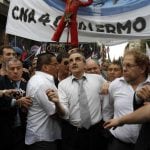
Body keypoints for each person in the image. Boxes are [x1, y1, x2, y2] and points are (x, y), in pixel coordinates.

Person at [47, 51, 109, 150]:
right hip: (74, 135)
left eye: (78, 59)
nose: (74, 62)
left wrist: (108, 84)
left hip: (96, 132)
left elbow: (113, 88)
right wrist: (57, 103)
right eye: (70, 61)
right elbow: (64, 114)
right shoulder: (63, 85)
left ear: (85, 65)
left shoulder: (98, 79)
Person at [105, 49, 149, 150]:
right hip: (118, 144)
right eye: (123, 65)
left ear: (142, 68)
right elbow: (108, 109)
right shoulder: (115, 84)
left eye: (129, 65)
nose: (124, 69)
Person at [25, 53, 61, 150]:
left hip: (44, 136)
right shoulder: (41, 83)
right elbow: (53, 113)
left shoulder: (42, 80)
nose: (58, 66)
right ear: (45, 67)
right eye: (55, 64)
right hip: (42, 138)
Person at [104, 84, 150, 150]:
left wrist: (120, 121)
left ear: (142, 72)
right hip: (118, 142)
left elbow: (147, 112)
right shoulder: (115, 84)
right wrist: (138, 97)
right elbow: (108, 108)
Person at [0, 58, 32, 150]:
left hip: (22, 130)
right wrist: (15, 102)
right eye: (12, 68)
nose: (15, 71)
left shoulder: (27, 84)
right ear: (6, 70)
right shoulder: (1, 82)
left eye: (18, 68)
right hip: (3, 130)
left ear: (23, 69)